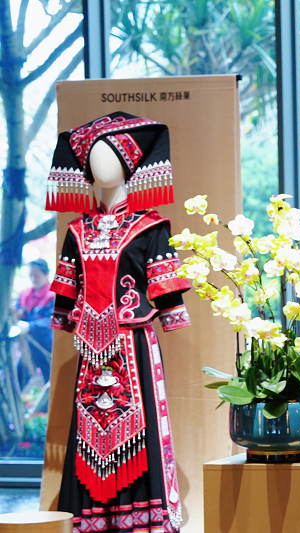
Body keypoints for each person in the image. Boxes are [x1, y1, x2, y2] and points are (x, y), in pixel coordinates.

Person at [47, 112, 190, 532]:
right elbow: (66, 291)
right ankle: (93, 517)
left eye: (108, 154)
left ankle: (144, 513)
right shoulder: (77, 230)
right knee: (89, 427)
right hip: (90, 350)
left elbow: (167, 293)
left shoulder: (150, 227)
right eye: (94, 155)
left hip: (133, 344)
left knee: (138, 424)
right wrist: (67, 317)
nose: (100, 164)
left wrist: (170, 314)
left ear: (129, 162)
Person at [14, 258, 55, 388]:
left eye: (36, 275)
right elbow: (17, 313)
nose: (33, 278)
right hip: (27, 346)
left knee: (50, 379)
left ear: (46, 274)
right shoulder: (24, 294)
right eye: (31, 275)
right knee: (18, 377)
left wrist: (30, 326)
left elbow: (52, 320)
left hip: (45, 345)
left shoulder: (53, 295)